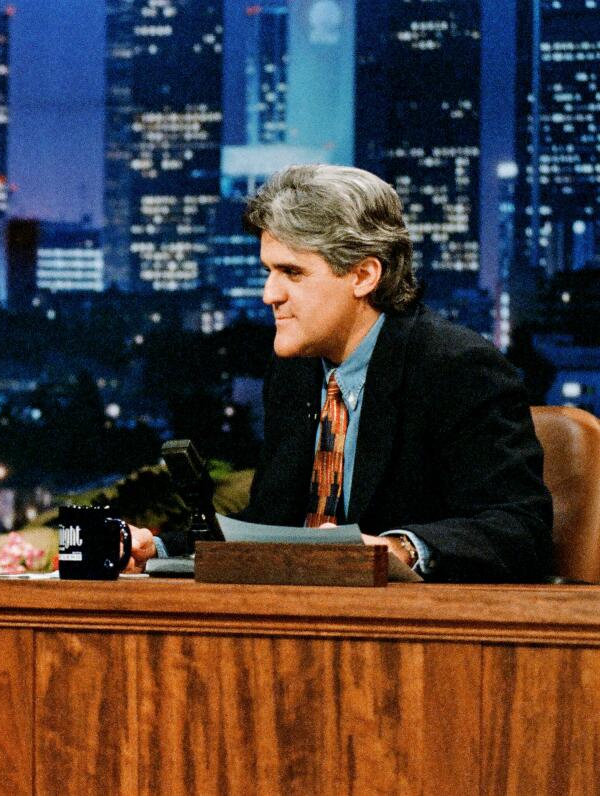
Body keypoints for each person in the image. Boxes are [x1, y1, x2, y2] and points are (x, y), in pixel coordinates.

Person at [127, 164, 552, 582]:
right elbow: (270, 527)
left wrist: (398, 549)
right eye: (268, 271)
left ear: (364, 275)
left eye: (292, 272)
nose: (268, 294)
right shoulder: (294, 371)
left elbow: (519, 529)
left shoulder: (457, 368)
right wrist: (158, 551)